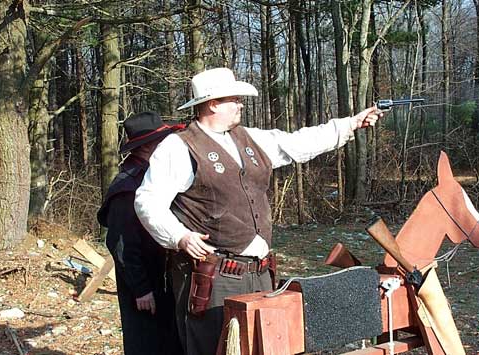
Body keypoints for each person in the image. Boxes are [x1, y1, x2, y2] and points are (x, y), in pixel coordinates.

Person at [134, 68, 384, 355]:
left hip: (260, 272)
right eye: (235, 99)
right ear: (213, 103)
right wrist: (179, 236)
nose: (241, 104)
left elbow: (298, 143)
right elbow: (148, 201)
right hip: (213, 278)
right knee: (213, 348)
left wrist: (350, 124)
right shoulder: (178, 147)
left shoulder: (249, 138)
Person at [97, 111, 185, 355]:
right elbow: (121, 243)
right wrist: (141, 289)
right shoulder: (127, 187)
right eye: (161, 142)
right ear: (147, 147)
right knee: (146, 342)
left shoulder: (154, 176)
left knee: (170, 341)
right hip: (145, 283)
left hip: (165, 278)